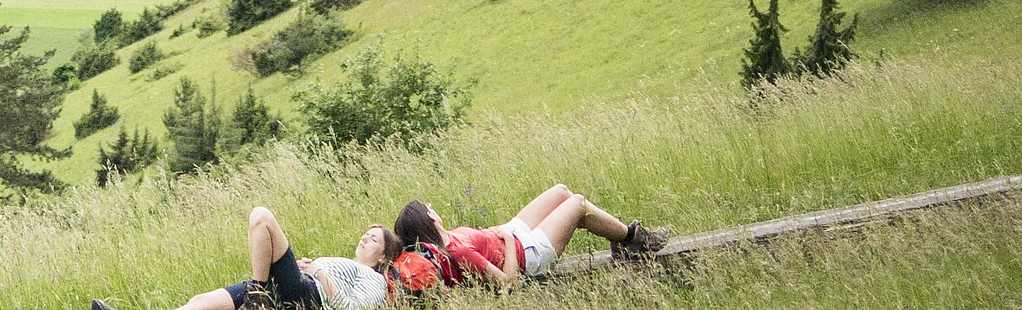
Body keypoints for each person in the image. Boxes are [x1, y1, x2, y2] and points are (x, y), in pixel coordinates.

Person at [93, 207, 396, 310]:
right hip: (289, 287)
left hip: (309, 297)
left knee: (261, 217)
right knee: (199, 303)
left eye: (373, 239)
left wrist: (318, 271)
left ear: (383, 256)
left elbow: (353, 308)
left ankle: (258, 295)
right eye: (365, 233)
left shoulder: (375, 279)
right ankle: (258, 294)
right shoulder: (348, 263)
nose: (364, 238)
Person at [391, 185, 667, 288]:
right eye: (430, 209)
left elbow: (485, 242)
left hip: (512, 234)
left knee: (561, 192)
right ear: (428, 219)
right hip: (528, 255)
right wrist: (509, 241)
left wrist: (506, 234)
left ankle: (625, 240)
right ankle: (634, 238)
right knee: (578, 204)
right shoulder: (457, 253)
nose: (434, 209)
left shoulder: (447, 240)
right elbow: (509, 281)